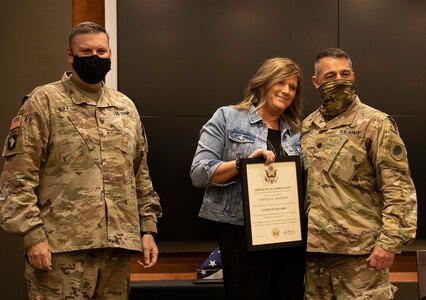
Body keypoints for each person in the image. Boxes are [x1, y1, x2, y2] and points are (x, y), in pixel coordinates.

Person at [0, 21, 162, 299]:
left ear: (110, 53)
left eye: (101, 50)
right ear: (70, 54)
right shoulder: (44, 101)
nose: (95, 57)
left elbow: (139, 175)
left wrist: (147, 228)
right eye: (86, 51)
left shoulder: (125, 107)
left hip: (117, 248)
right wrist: (33, 236)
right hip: (60, 250)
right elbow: (17, 178)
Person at [301, 48, 417, 299]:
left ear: (354, 76)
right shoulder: (308, 126)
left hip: (361, 255)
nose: (339, 80)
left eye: (345, 74)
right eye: (330, 75)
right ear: (316, 82)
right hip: (313, 256)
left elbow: (399, 188)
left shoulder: (375, 123)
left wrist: (389, 242)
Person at [191, 57, 305, 299]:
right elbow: (199, 173)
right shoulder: (227, 117)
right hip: (241, 235)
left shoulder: (298, 131)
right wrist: (243, 164)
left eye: (292, 87)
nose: (286, 91)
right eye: (280, 82)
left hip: (288, 235)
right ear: (264, 82)